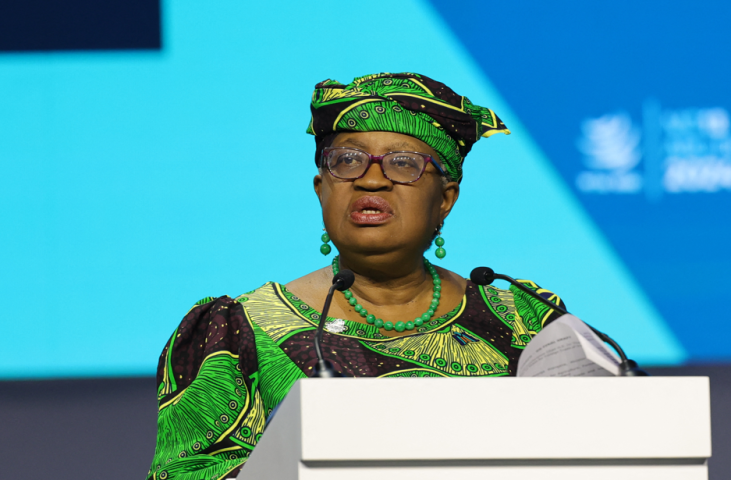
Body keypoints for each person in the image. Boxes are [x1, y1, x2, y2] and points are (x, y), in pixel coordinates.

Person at [146, 72, 567, 480]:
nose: (370, 179)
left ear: (445, 199)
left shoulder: (523, 321)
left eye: (403, 164)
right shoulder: (243, 332)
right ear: (321, 189)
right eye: (347, 160)